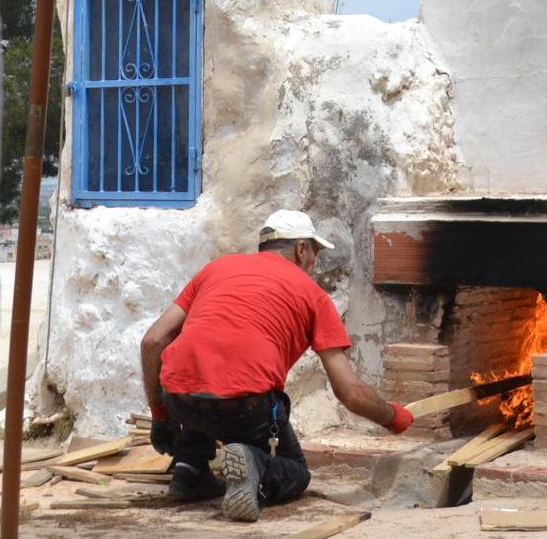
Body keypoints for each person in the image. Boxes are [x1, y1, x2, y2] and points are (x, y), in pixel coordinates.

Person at [140, 210, 414, 522]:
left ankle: (189, 472)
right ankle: (255, 464)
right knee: (295, 471)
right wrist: (393, 417)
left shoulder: (215, 269)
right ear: (301, 249)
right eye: (315, 253)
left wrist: (160, 415)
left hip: (179, 400)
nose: (314, 263)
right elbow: (349, 392)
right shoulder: (313, 295)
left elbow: (153, 341)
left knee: (200, 382)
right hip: (244, 408)